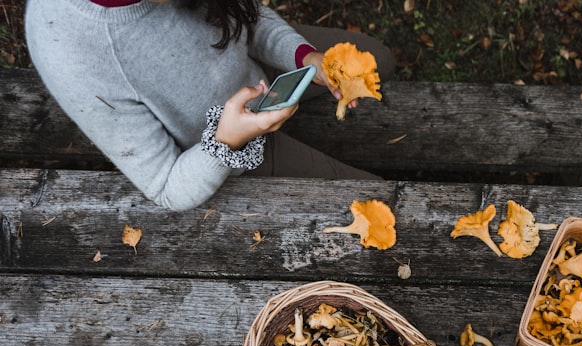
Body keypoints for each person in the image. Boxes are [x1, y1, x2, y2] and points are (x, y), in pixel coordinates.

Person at [24, 0, 395, 211]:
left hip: (258, 74)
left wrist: (301, 55)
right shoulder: (71, 50)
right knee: (384, 200)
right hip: (227, 148)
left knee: (380, 60)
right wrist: (227, 141)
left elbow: (240, 16)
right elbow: (166, 188)